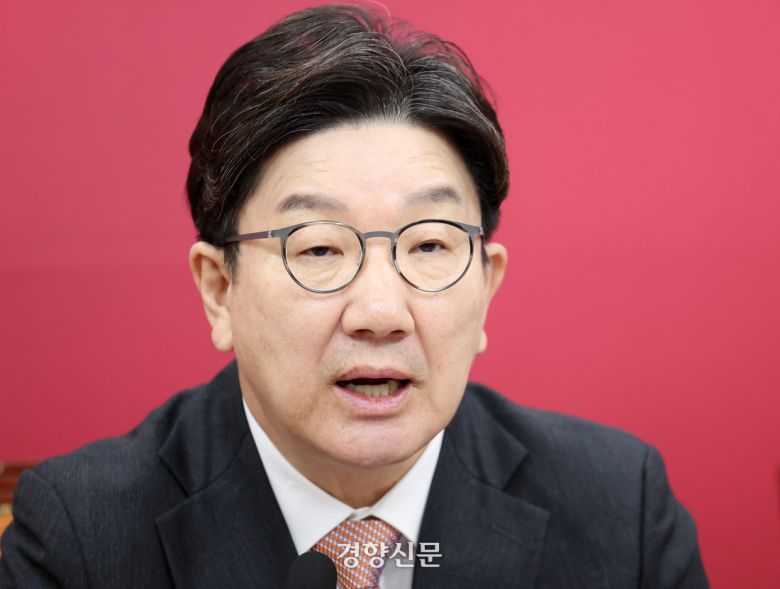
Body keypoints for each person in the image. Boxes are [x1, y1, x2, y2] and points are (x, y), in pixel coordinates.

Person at [0, 4, 709, 588]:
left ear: (487, 286)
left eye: (428, 245)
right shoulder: (81, 537)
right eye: (318, 249)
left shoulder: (620, 509)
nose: (380, 314)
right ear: (220, 290)